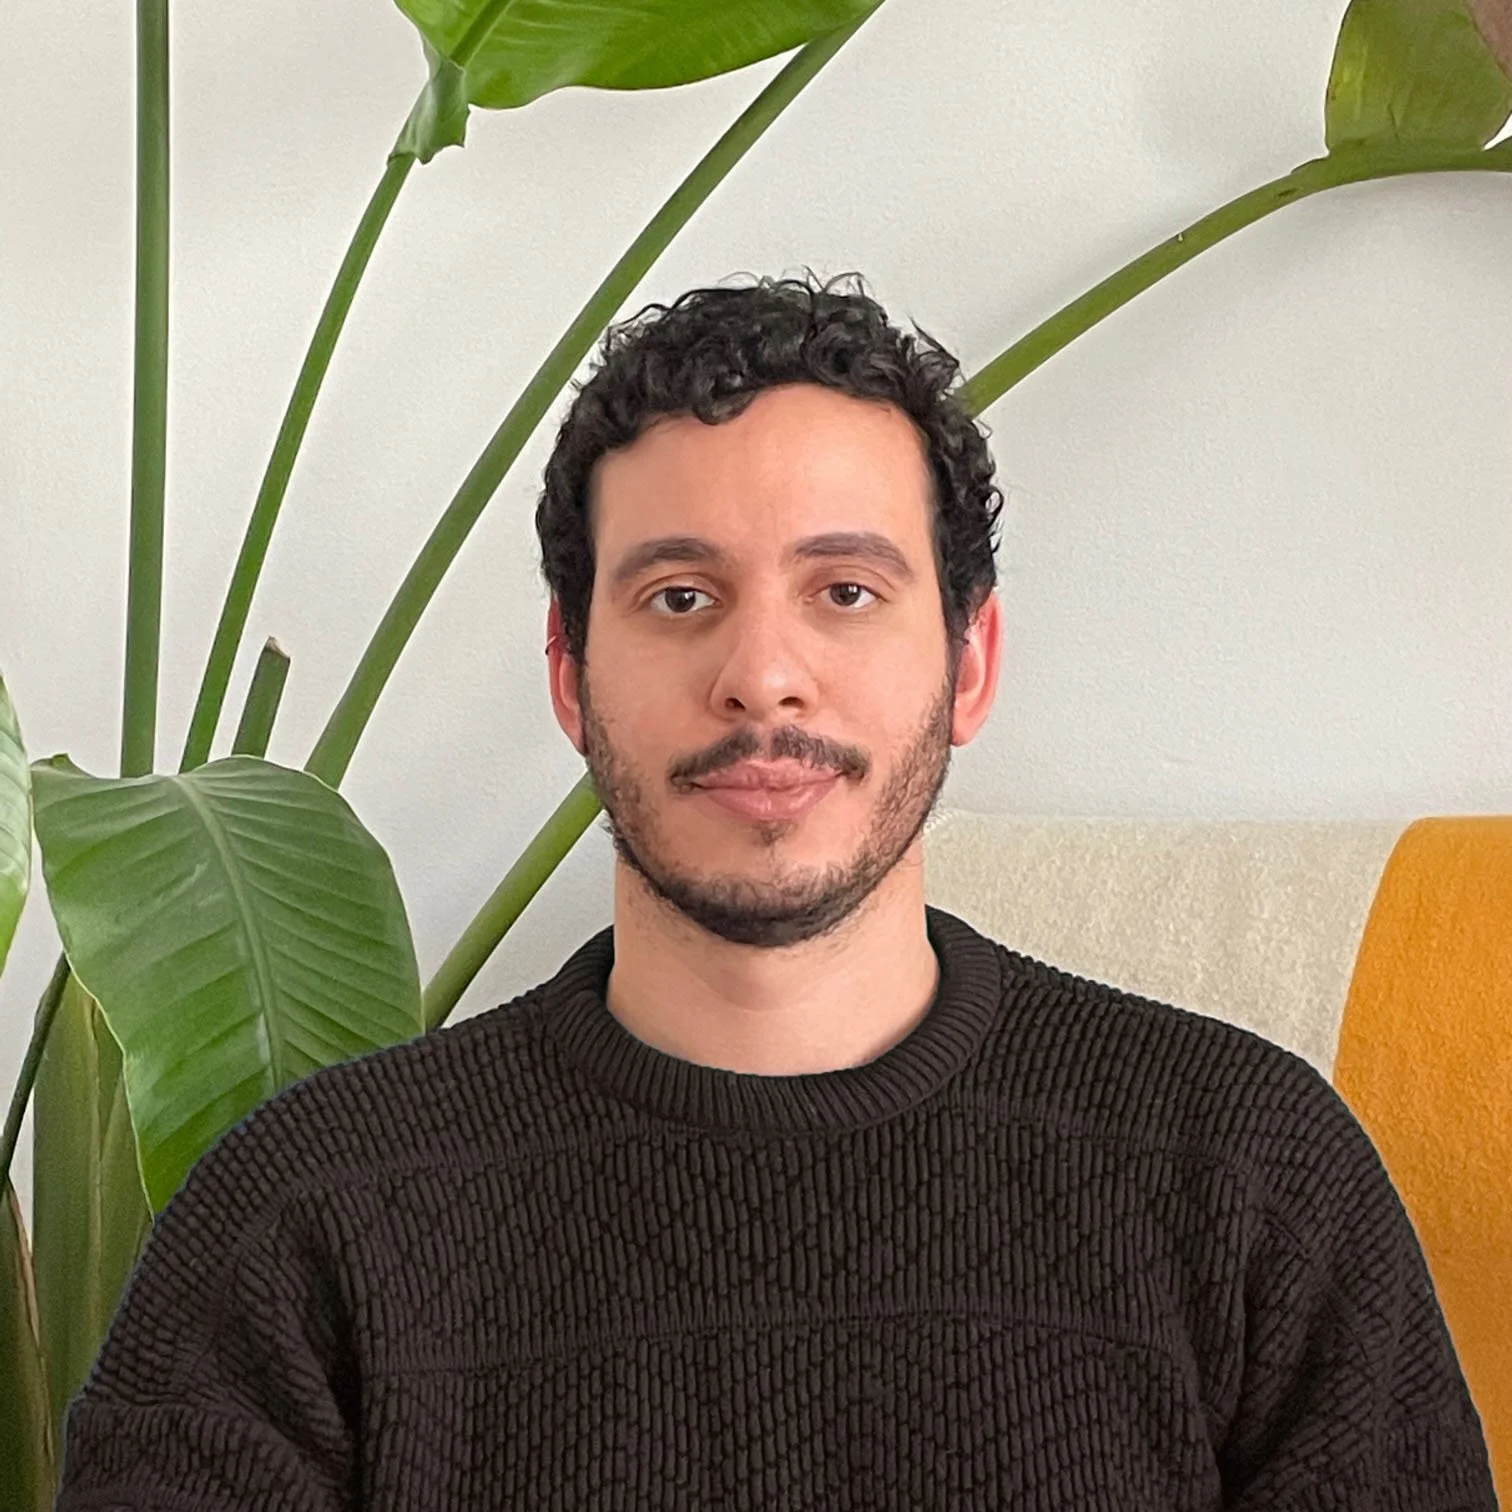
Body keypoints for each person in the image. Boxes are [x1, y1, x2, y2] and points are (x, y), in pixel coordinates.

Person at [55, 272, 1495, 1510]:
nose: (763, 674)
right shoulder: (307, 1224)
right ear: (571, 679)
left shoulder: (1249, 1178)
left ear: (971, 664)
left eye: (846, 592)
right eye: (680, 596)